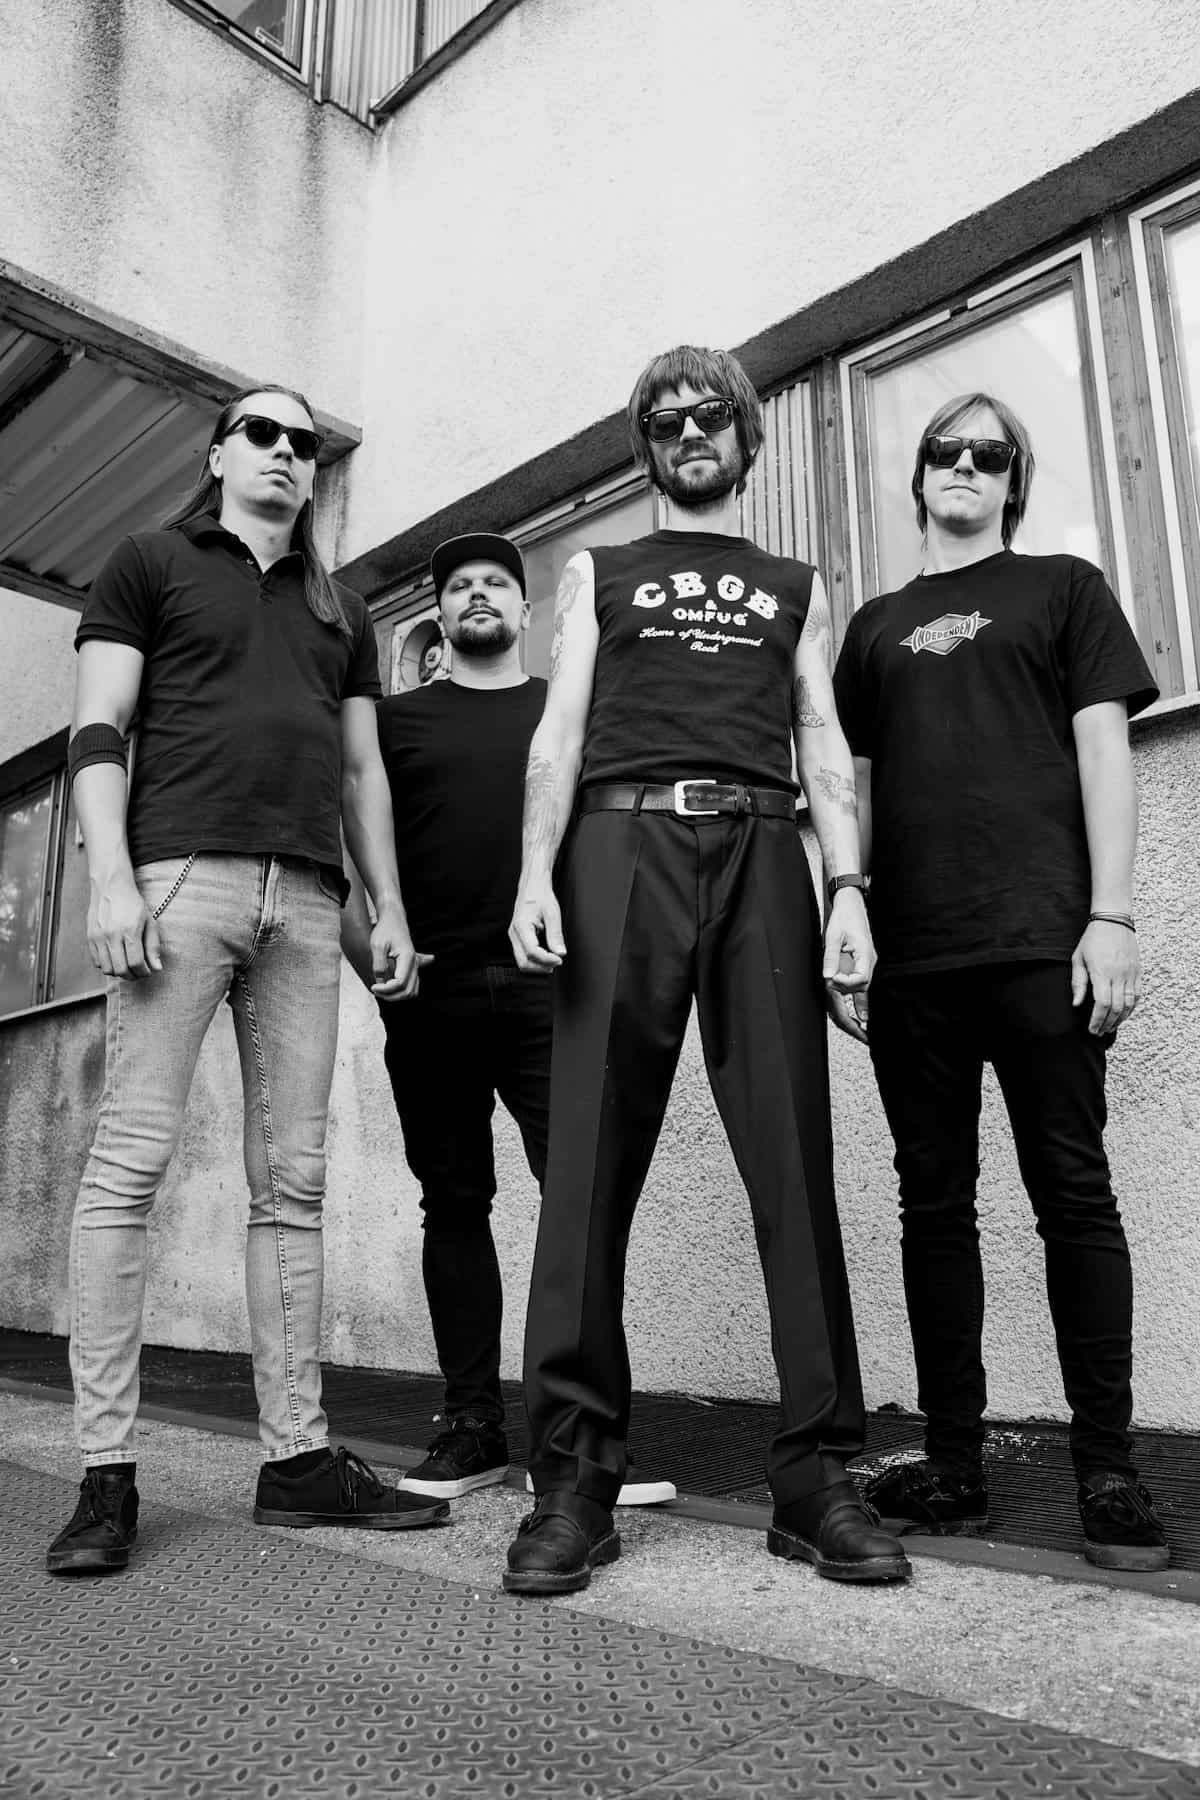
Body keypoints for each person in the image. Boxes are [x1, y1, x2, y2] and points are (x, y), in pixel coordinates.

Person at [503, 344, 912, 1597]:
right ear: (648, 447)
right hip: (618, 846)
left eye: (711, 414)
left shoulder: (796, 583)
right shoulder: (601, 569)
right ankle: (573, 1482)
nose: (690, 432)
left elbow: (820, 734)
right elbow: (559, 728)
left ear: (746, 436)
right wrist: (532, 877)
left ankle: (817, 1479)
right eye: (667, 419)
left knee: (794, 1161)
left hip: (762, 849)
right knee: (586, 1169)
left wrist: (848, 887)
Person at [47, 385, 448, 1576]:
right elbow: (98, 729)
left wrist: (388, 908)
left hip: (308, 904)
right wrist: (108, 882)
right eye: (261, 434)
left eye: (303, 443)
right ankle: (106, 1475)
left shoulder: (340, 605)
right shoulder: (151, 561)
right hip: (180, 883)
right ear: (221, 454)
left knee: (294, 1186)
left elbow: (363, 771)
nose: (284, 452)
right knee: (128, 1170)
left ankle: (298, 1461)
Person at [832, 392, 1169, 1572]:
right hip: (915, 958)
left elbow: (1105, 754)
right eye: (946, 450)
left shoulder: (1065, 587)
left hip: (1043, 944)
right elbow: (853, 785)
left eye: (991, 453)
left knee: (1074, 1197)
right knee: (934, 1207)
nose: (965, 464)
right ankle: (955, 1470)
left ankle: (1109, 1474)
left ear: (1013, 480)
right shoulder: (873, 627)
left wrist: (1111, 916)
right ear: (920, 475)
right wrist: (846, 905)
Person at [342, 533, 675, 1509]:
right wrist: (371, 960)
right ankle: (472, 1426)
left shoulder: (566, 712)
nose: (477, 594)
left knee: (578, 1202)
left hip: (551, 990)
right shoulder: (393, 726)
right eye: (459, 586)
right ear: (439, 616)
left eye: (495, 582)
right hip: (433, 995)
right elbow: (346, 852)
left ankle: (584, 1436)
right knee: (452, 1204)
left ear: (525, 613)